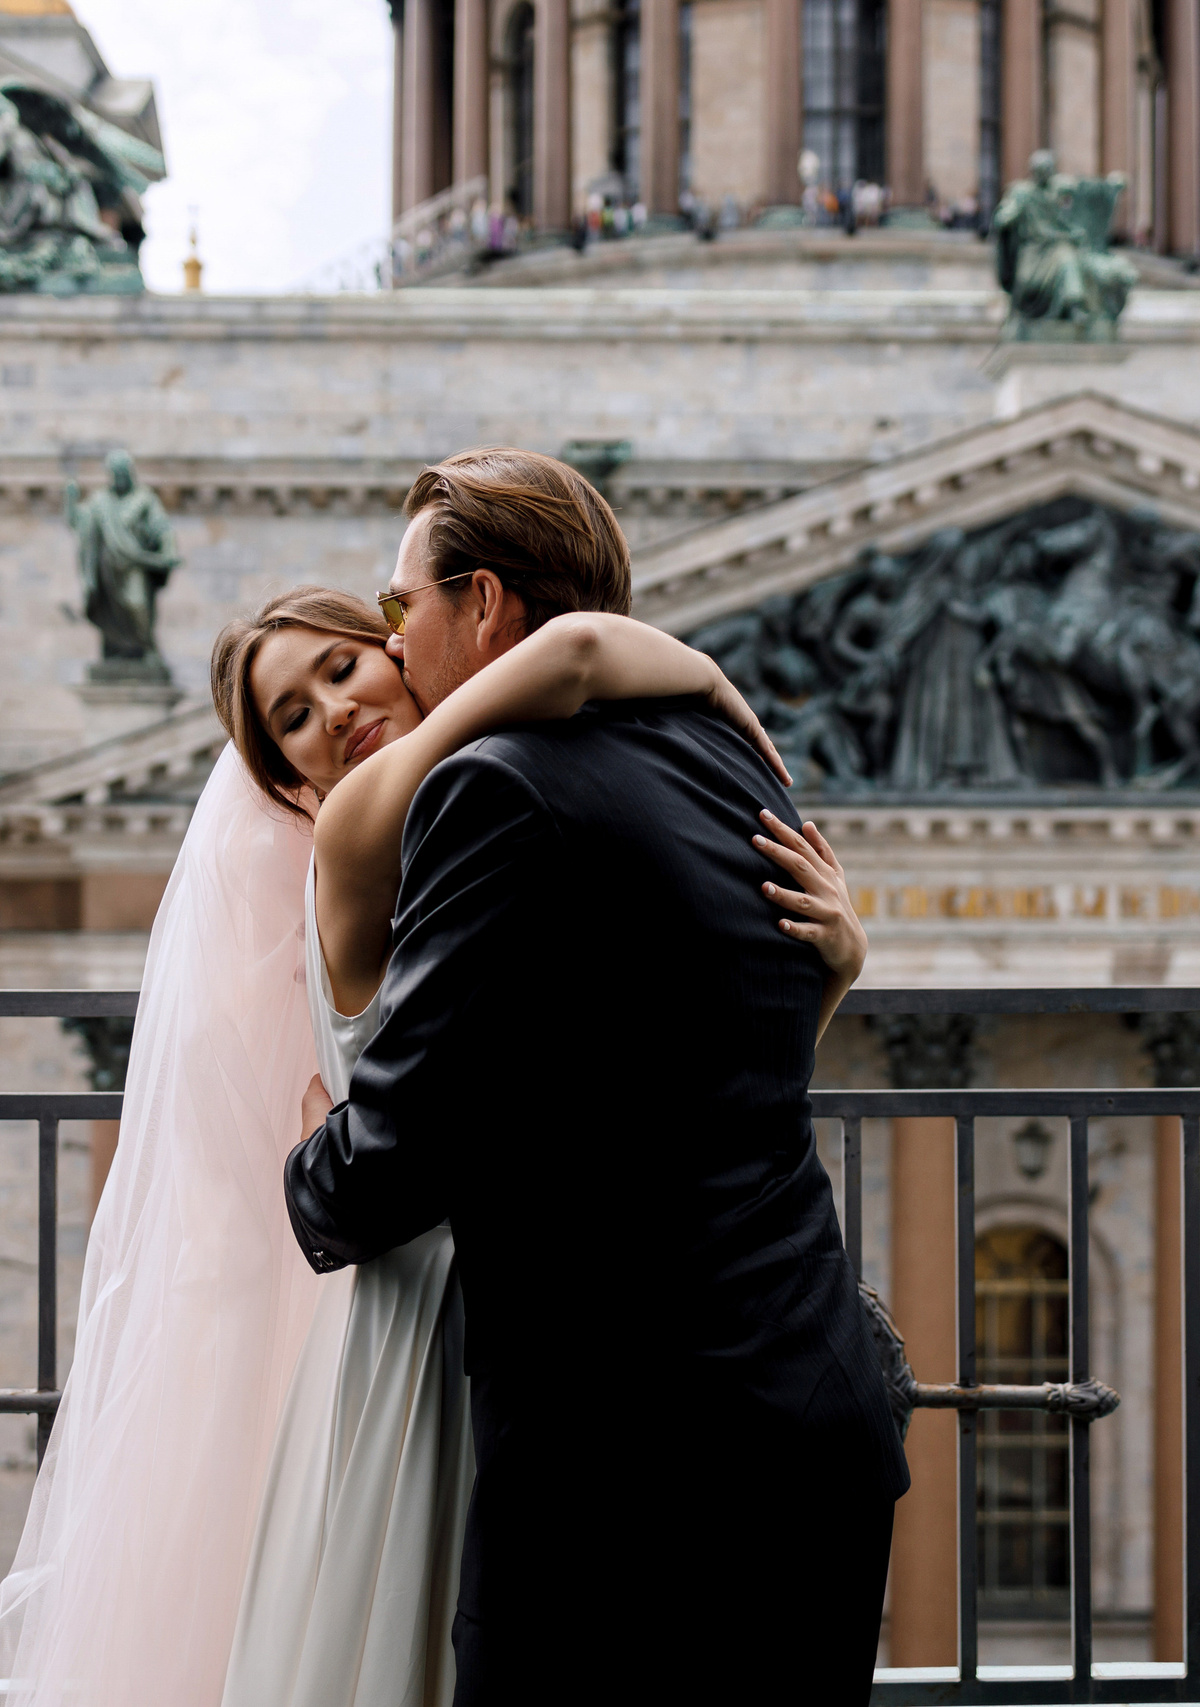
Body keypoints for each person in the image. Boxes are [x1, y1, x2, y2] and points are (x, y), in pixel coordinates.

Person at [0, 558, 862, 1706]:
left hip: (520, 1309)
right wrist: (707, 691)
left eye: (340, 668)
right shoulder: (379, 820)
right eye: (292, 716)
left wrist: (832, 973)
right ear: (281, 774)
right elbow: (580, 653)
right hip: (441, 1305)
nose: (331, 711)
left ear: (396, 647)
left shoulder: (486, 802)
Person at [284, 448, 907, 1705]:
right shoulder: (729, 758)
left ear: (489, 605)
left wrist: (310, 1167)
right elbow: (707, 1053)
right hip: (818, 1416)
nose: (395, 648)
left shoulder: (489, 791)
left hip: (624, 1464)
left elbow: (393, 1158)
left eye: (404, 611)